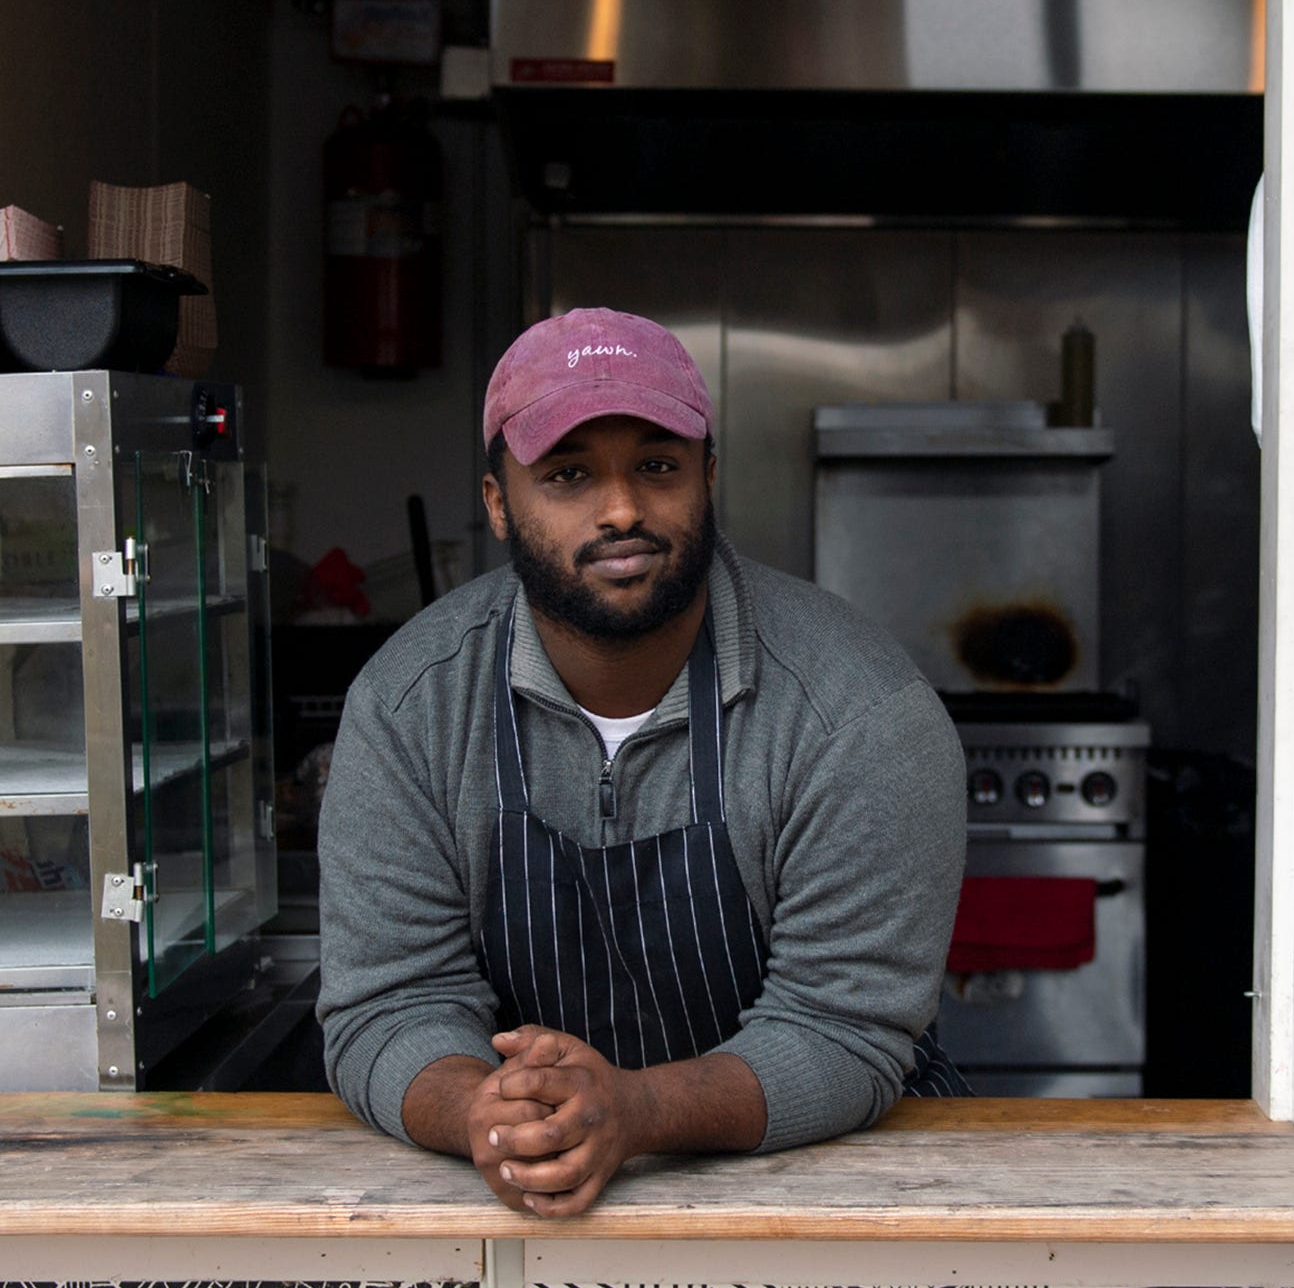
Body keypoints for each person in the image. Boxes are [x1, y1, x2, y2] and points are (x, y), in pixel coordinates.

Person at [317, 308, 967, 1217]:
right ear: (499, 502)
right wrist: (487, 1112)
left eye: (656, 466)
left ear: (706, 477)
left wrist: (636, 1108)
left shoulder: (857, 712)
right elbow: (390, 1000)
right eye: (569, 473)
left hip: (831, 1190)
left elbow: (844, 1025)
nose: (620, 508)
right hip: (518, 1202)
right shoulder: (411, 707)